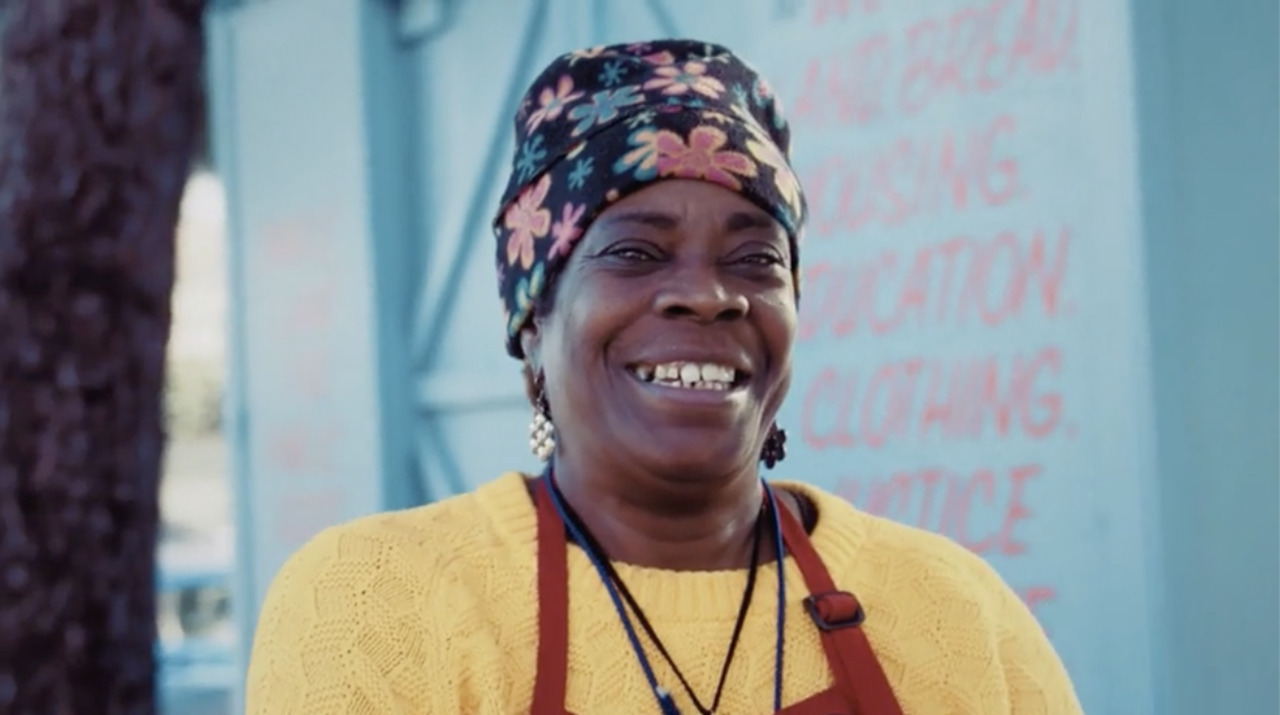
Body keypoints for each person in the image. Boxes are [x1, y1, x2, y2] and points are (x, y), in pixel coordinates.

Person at [245, 39, 1083, 714]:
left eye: (755, 259)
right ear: (534, 326)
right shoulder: (379, 601)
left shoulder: (957, 611)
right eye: (636, 253)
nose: (708, 295)